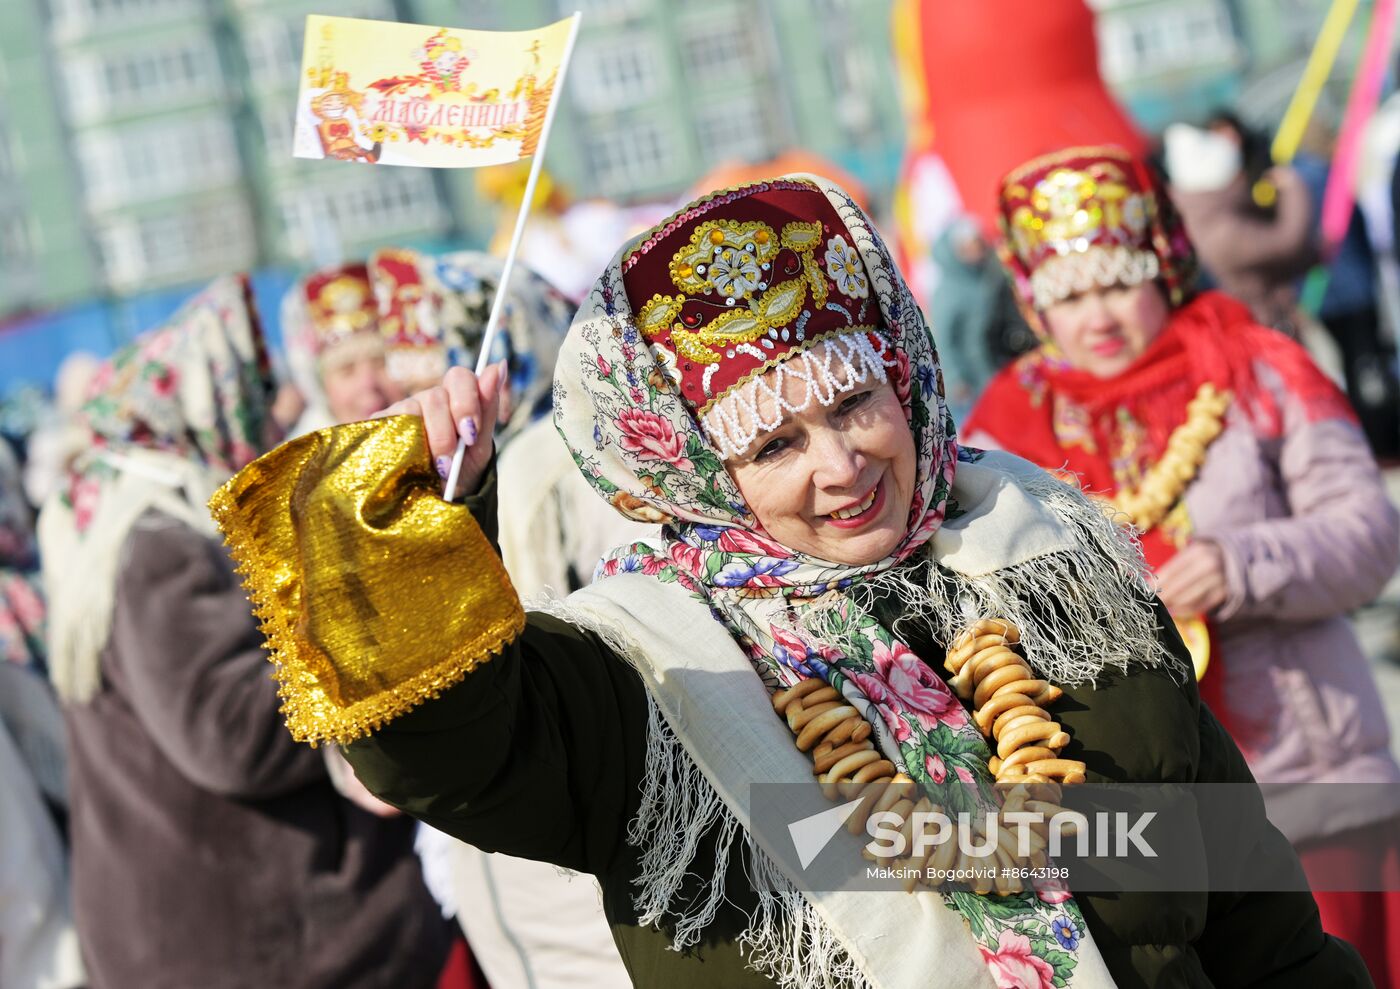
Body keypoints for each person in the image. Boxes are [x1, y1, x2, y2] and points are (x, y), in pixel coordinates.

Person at [213, 177, 1368, 987]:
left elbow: (1234, 897)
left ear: (904, 368)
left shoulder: (1054, 555)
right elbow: (442, 746)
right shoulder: (644, 666)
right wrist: (416, 528)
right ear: (693, 466)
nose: (840, 463)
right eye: (771, 444)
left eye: (854, 401)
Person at [965, 144, 1400, 985]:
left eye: (1117, 281)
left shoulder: (1256, 368)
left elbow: (1369, 536)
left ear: (1164, 268)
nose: (1097, 314)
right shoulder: (1007, 423)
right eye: (1068, 294)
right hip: (1132, 805)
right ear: (1032, 305)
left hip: (1305, 772)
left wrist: (1242, 563)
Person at [38, 276, 452, 989]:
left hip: (200, 928)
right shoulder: (157, 537)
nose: (269, 410)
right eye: (252, 389)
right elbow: (230, 730)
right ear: (204, 398)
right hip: (258, 934)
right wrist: (357, 625)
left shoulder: (122, 512)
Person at [1164, 121, 1317, 336]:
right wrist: (1293, 187)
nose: (1242, 179)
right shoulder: (1223, 231)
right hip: (1267, 326)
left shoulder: (1210, 218)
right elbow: (1287, 242)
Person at [281, 261, 405, 436]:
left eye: (381, 363)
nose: (368, 384)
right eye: (347, 370)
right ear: (321, 388)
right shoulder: (302, 460)